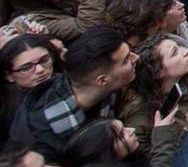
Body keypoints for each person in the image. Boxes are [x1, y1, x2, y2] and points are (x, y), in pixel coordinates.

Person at [11, 26, 139, 158]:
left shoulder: (107, 92)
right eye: (126, 60)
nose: (136, 58)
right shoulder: (44, 137)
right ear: (102, 80)